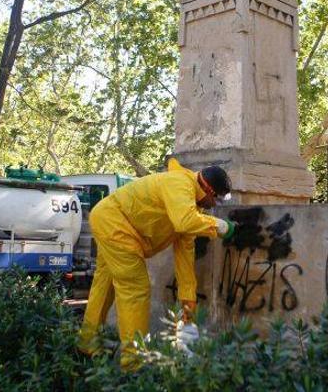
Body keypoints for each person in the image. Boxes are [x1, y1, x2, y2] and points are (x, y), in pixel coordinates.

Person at [77, 158, 236, 369]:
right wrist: (220, 226)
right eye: (216, 200)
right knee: (136, 288)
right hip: (115, 225)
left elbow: (185, 266)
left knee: (104, 287)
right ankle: (134, 365)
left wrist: (188, 313)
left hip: (111, 222)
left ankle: (86, 347)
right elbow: (184, 221)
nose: (215, 206)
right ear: (208, 190)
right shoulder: (180, 184)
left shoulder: (190, 209)